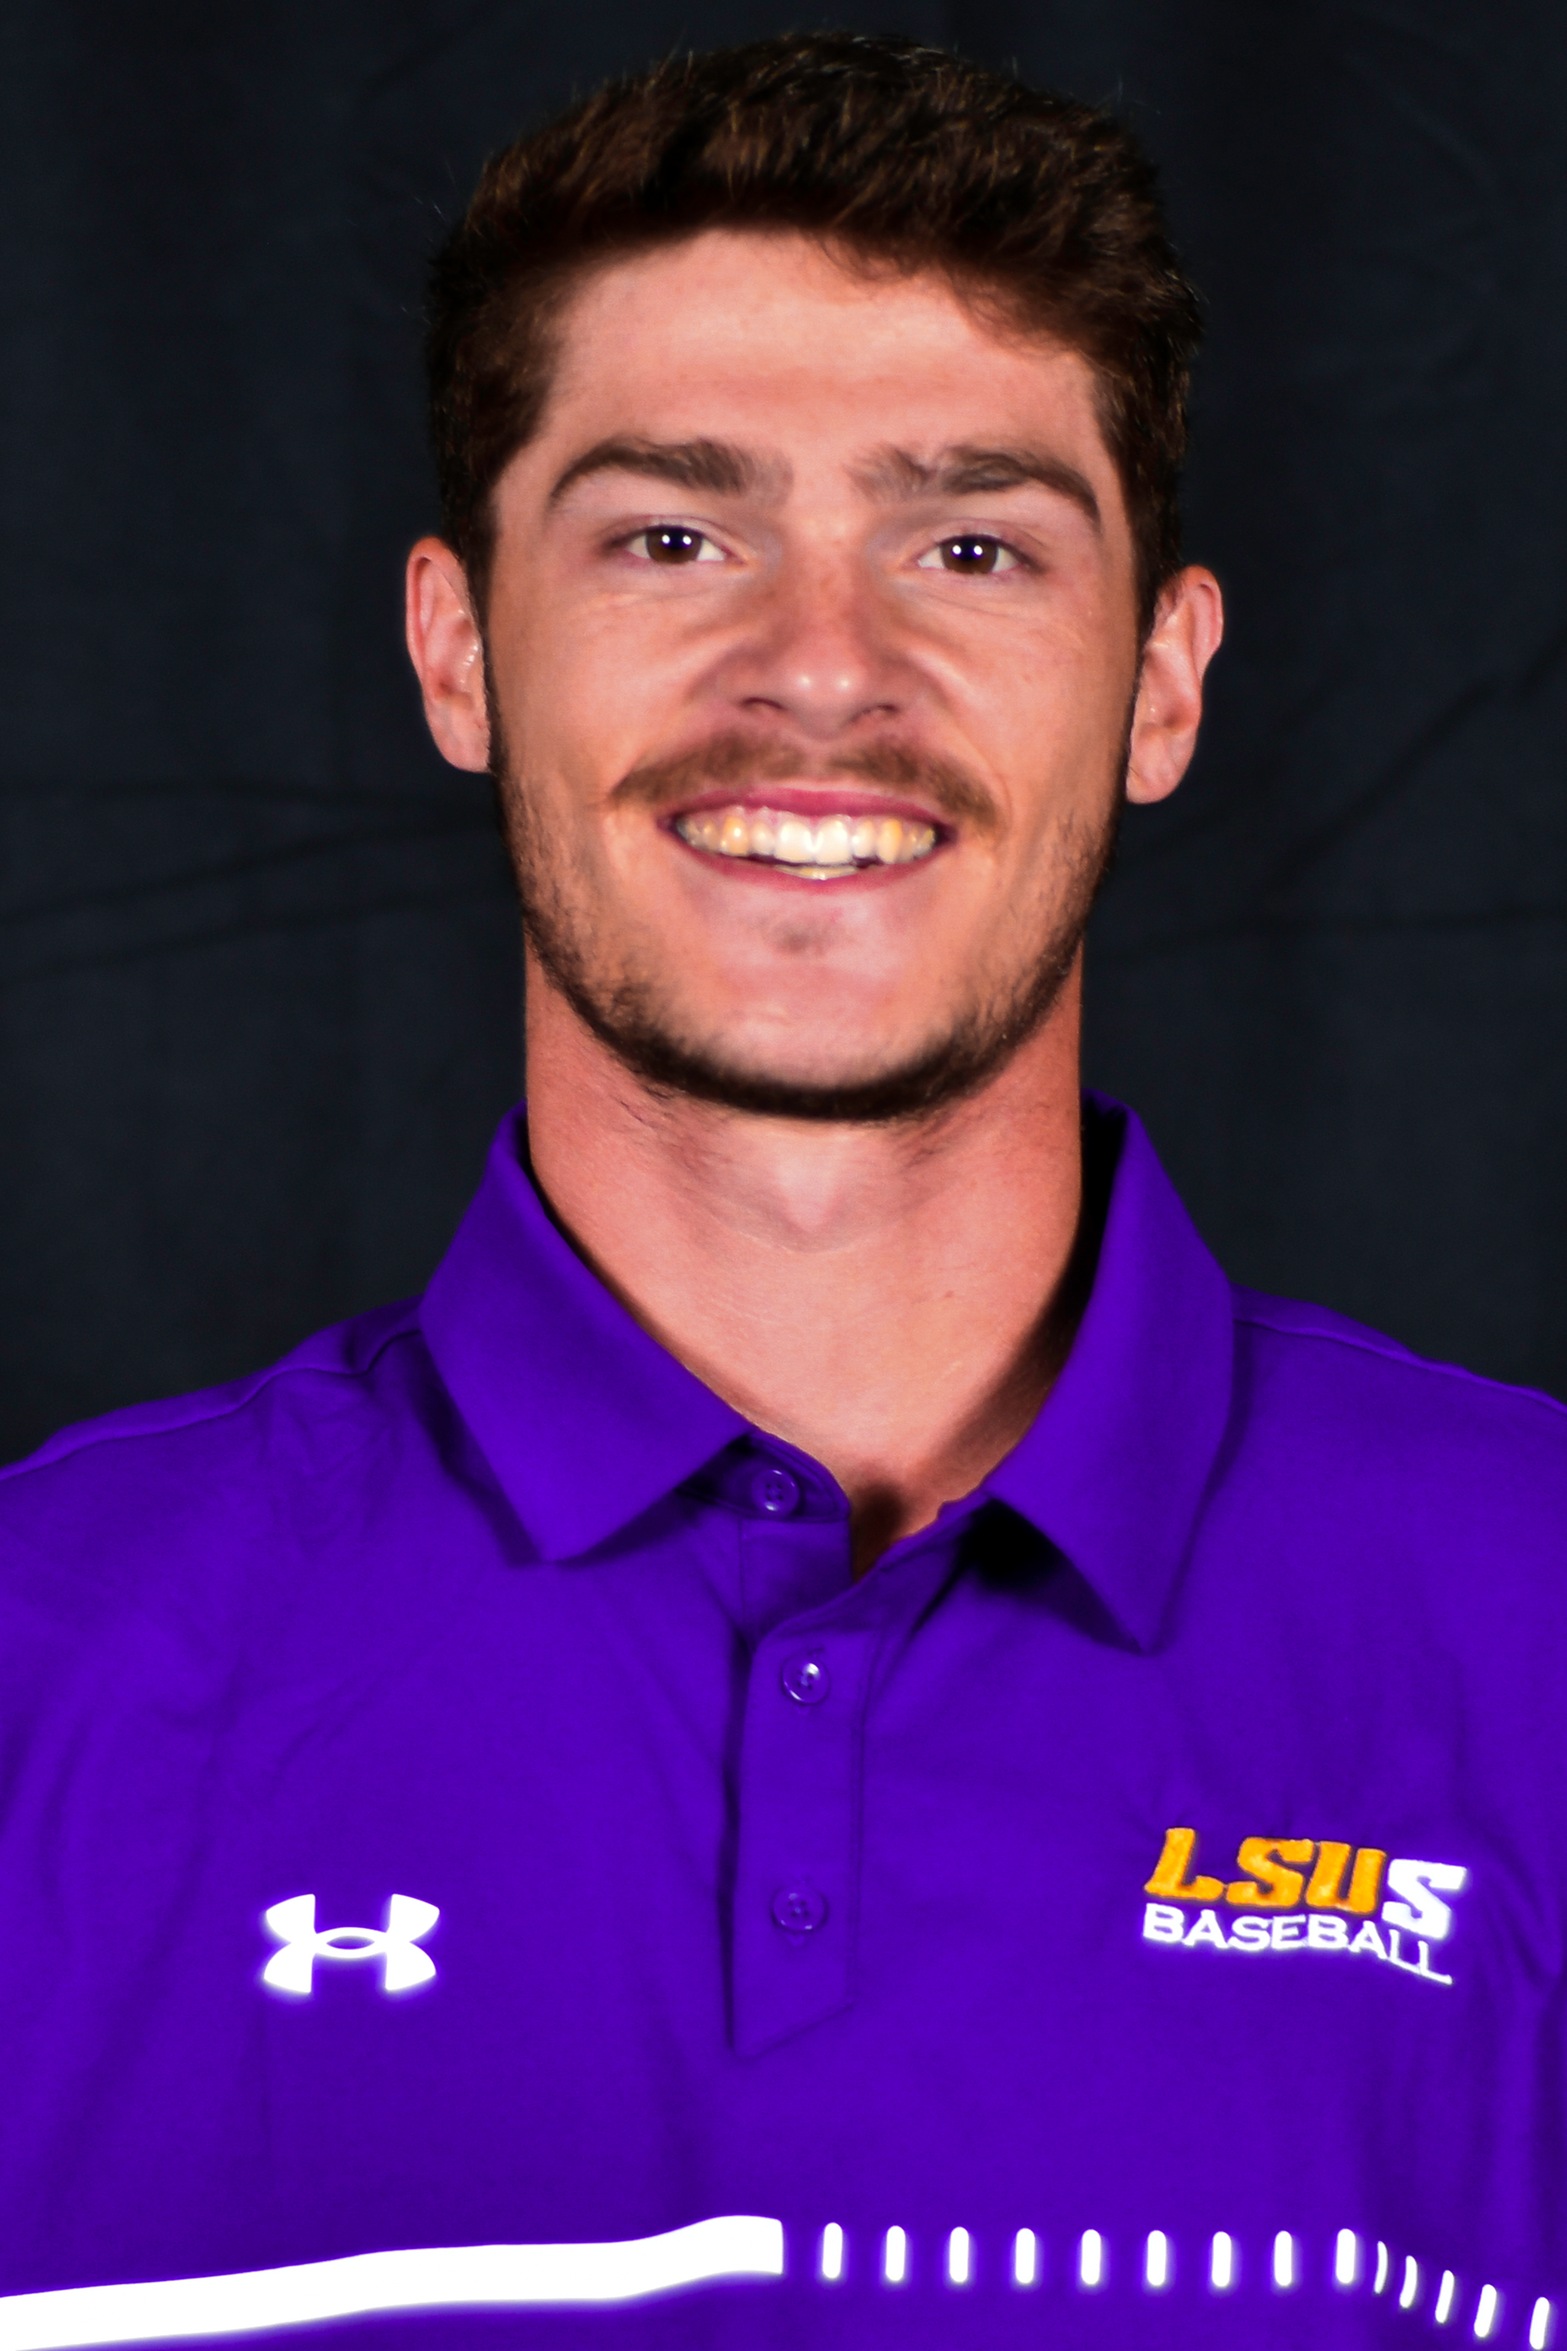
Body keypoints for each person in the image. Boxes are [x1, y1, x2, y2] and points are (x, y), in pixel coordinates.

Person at [0, 29, 1561, 2351]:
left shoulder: (1533, 1620)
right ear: (456, 650)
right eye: (673, 536)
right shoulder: (39, 1668)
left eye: (969, 545)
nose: (822, 674)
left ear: (1159, 684)